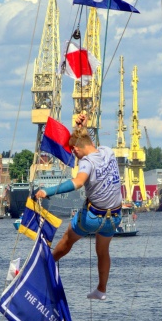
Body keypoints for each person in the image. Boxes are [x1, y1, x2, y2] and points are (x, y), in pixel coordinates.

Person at [35, 113, 122, 300]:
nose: (74, 155)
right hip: (113, 217)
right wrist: (85, 126)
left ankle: (43, 268)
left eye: (73, 152)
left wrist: (47, 191)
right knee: (103, 251)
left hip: (92, 218)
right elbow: (90, 142)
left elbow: (78, 182)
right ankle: (101, 290)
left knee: (67, 240)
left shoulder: (86, 163)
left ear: (75, 148)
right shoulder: (108, 151)